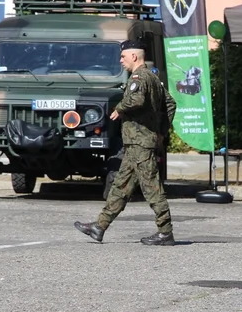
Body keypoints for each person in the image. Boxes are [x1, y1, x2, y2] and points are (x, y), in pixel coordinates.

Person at [74, 39, 177, 246]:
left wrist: (119, 108)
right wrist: (162, 131)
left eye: (123, 56)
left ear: (134, 56)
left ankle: (165, 232)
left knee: (152, 188)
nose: (120, 60)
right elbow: (170, 104)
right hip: (135, 144)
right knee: (120, 186)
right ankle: (100, 226)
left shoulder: (139, 77)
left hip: (140, 144)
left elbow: (136, 100)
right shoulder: (153, 78)